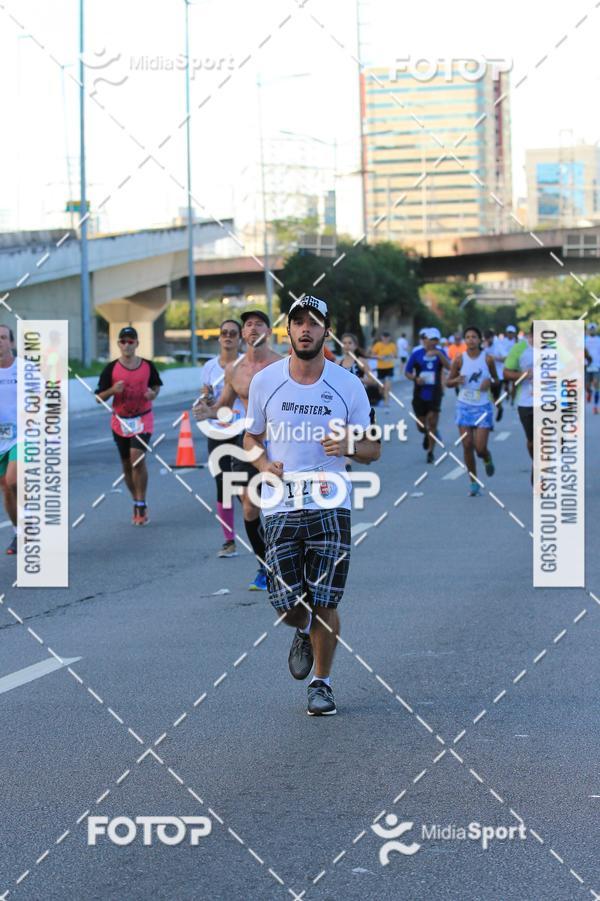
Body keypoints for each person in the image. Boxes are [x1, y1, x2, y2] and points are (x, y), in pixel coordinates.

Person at [244, 295, 380, 716]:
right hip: (281, 504)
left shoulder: (348, 385)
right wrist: (265, 464)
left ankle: (321, 683)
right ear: (288, 330)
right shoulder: (265, 381)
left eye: (314, 322)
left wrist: (350, 446)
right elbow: (251, 436)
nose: (306, 329)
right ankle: (302, 629)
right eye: (298, 321)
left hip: (330, 502)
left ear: (326, 330)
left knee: (326, 599)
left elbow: (373, 448)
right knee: (287, 605)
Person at [193, 310, 281, 591]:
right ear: (244, 334)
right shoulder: (235, 370)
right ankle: (265, 567)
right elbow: (224, 404)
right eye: (248, 325)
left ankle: (289, 561)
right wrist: (208, 410)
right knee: (250, 506)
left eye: (259, 323)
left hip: (283, 441)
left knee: (283, 507)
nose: (253, 328)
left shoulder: (284, 364)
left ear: (268, 331)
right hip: (250, 441)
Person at [95, 326, 163, 526]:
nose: (127, 345)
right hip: (120, 421)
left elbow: (156, 385)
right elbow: (99, 398)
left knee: (137, 459)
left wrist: (153, 394)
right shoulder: (111, 369)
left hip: (143, 419)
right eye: (123, 341)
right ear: (118, 344)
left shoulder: (148, 366)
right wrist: (112, 390)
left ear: (137, 344)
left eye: (130, 341)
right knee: (126, 465)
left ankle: (141, 504)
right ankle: (136, 499)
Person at [199, 319, 245, 557]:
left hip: (242, 429)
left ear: (239, 338)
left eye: (233, 333)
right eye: (224, 333)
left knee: (242, 486)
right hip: (217, 430)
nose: (228, 336)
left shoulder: (246, 364)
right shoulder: (209, 367)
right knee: (223, 484)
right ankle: (229, 540)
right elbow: (207, 397)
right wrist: (205, 400)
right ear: (219, 338)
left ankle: (263, 532)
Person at [446, 326, 498, 496]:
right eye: (467, 337)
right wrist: (456, 380)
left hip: (482, 406)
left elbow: (497, 379)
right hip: (464, 405)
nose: (470, 340)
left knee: (480, 448)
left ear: (480, 340)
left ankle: (487, 458)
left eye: (474, 337)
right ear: (464, 340)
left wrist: (489, 382)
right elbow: (448, 382)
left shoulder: (488, 359)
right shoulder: (459, 360)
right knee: (467, 445)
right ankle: (473, 482)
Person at [404, 327, 450, 463]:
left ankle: (430, 452)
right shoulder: (416, 354)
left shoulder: (441, 352)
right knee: (421, 425)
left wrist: (438, 354)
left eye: (436, 340)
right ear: (425, 340)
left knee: (433, 422)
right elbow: (407, 372)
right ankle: (426, 434)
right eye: (431, 340)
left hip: (435, 392)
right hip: (419, 393)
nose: (433, 343)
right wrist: (415, 379)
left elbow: (449, 367)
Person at [504, 326, 534, 482]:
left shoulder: (555, 347)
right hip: (526, 402)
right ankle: (536, 462)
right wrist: (523, 375)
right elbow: (507, 372)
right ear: (531, 334)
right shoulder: (520, 348)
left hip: (551, 401)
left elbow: (570, 366)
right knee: (532, 442)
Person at [0, 325, 18, 555]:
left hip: (23, 435)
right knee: (6, 489)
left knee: (14, 481)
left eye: (3, 337)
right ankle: (19, 532)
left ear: (12, 343)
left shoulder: (26, 369)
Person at [339, 333, 382, 407]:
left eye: (350, 343)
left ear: (355, 346)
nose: (347, 345)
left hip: (357, 401)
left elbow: (373, 381)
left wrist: (357, 379)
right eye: (344, 343)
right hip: (341, 401)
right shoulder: (338, 363)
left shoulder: (361, 361)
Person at [369, 330, 397, 408]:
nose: (385, 339)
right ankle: (382, 397)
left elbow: (395, 356)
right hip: (381, 368)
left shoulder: (392, 345)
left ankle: (386, 403)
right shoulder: (378, 345)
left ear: (389, 338)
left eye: (387, 338)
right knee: (381, 387)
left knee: (387, 386)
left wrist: (392, 355)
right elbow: (372, 355)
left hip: (389, 368)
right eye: (384, 338)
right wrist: (379, 357)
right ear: (381, 338)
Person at [484, 328, 506, 421]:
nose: (488, 341)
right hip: (486, 376)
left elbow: (505, 358)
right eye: (486, 339)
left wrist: (494, 358)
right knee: (486, 399)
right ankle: (489, 421)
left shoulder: (498, 345)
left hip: (498, 376)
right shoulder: (483, 346)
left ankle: (500, 408)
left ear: (493, 338)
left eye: (489, 338)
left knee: (495, 397)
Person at [585, 323, 600, 413]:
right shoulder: (584, 340)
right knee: (587, 386)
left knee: (596, 385)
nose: (592, 330)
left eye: (593, 329)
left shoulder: (599, 340)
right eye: (590, 329)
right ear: (588, 330)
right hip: (587, 365)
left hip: (597, 366)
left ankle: (595, 406)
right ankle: (589, 392)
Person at [502, 325, 518, 405]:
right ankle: (507, 393)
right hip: (506, 365)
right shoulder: (503, 341)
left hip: (515, 365)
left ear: (514, 333)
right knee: (506, 384)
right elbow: (502, 352)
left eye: (512, 333)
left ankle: (513, 399)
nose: (510, 334)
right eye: (509, 333)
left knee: (515, 383)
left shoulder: (518, 341)